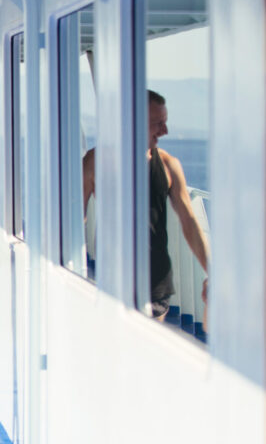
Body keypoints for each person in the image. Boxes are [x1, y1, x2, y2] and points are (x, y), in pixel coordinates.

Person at [82, 90, 209, 319]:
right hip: (113, 282)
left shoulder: (170, 165)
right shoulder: (96, 162)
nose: (165, 131)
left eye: (165, 122)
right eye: (158, 123)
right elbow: (76, 218)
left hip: (157, 286)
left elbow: (189, 222)